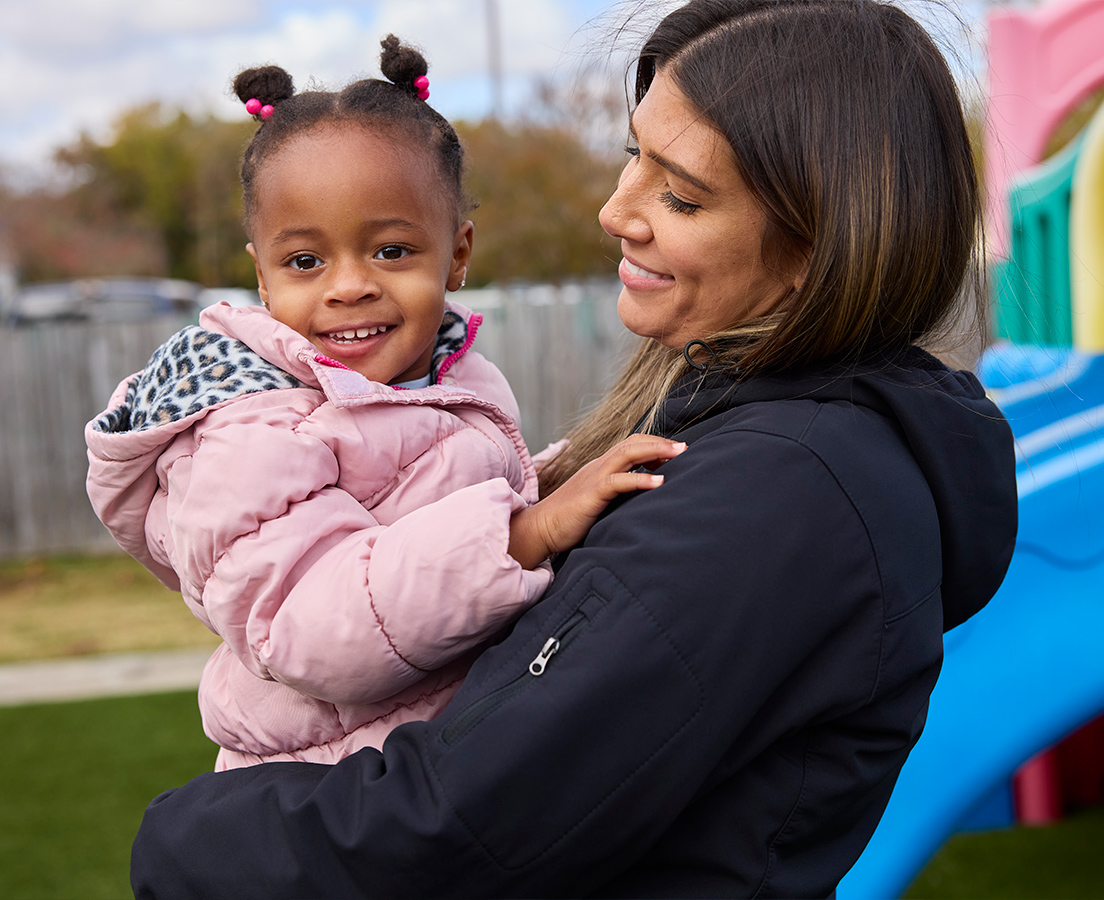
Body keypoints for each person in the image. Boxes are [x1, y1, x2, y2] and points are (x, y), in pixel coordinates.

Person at [129, 1, 1018, 897]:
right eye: (635, 156)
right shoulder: (748, 432)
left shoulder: (778, 495)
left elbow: (454, 828)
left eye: (681, 195)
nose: (614, 210)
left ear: (818, 244)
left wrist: (180, 840)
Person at [85, 38, 682, 770]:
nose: (348, 287)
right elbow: (309, 630)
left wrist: (560, 482)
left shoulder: (450, 379)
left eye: (391, 251)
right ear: (263, 277)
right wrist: (526, 534)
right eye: (305, 261)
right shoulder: (251, 430)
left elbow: (436, 503)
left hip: (437, 754)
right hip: (335, 787)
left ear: (457, 254)